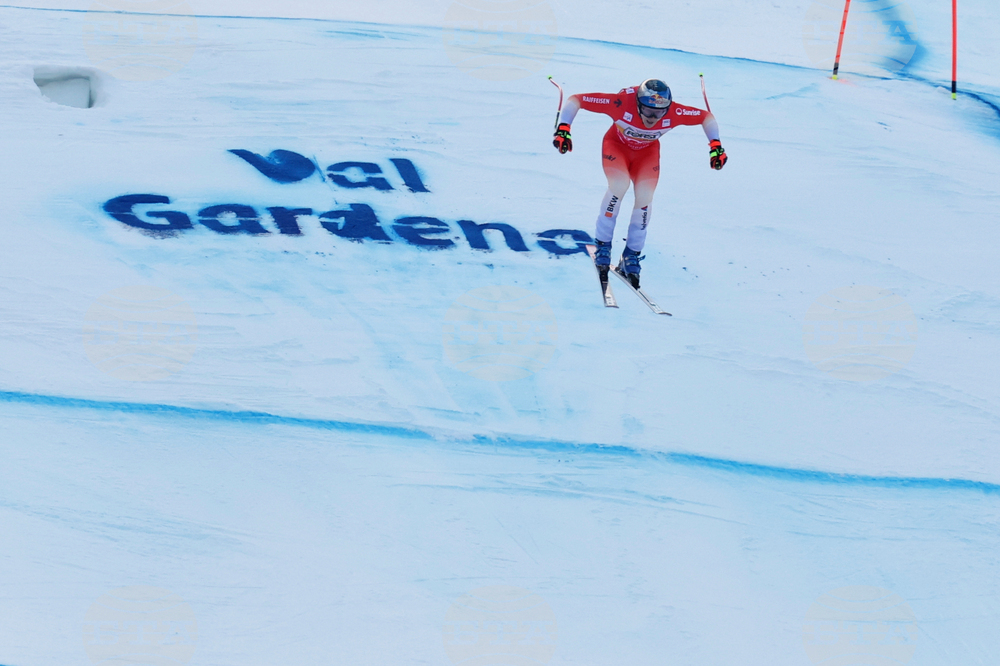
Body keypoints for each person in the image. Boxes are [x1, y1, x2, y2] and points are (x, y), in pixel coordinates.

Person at [552, 79, 727, 288]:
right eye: (647, 110)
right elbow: (575, 100)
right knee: (619, 186)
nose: (653, 118)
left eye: (660, 112)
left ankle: (631, 254)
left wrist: (715, 144)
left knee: (645, 198)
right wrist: (564, 128)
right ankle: (603, 245)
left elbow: (706, 117)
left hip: (647, 155)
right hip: (616, 148)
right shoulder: (620, 103)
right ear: (637, 103)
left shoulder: (675, 113)